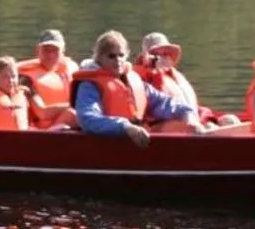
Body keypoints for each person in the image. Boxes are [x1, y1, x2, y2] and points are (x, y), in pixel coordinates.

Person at [71, 30, 207, 145]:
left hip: (137, 136)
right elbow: (88, 119)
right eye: (111, 56)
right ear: (99, 58)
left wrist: (187, 114)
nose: (118, 60)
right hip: (111, 140)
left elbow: (163, 102)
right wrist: (124, 127)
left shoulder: (133, 80)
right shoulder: (89, 85)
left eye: (121, 55)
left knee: (188, 125)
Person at [138, 31, 241, 128]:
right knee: (209, 128)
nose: (163, 58)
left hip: (192, 120)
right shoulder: (142, 77)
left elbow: (190, 105)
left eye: (166, 54)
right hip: (166, 125)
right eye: (156, 55)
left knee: (231, 120)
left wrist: (209, 117)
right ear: (148, 58)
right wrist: (155, 71)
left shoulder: (177, 77)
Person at [16, 29, 80, 129]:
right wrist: (74, 105)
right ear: (38, 51)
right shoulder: (26, 79)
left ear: (63, 52)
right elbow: (42, 112)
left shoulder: (71, 70)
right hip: (43, 132)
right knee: (72, 114)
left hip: (66, 125)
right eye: (46, 50)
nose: (50, 55)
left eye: (55, 50)